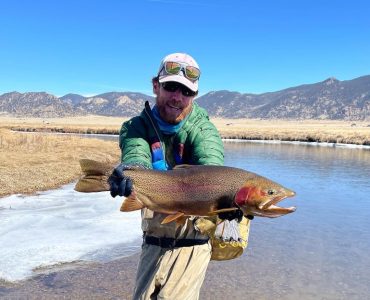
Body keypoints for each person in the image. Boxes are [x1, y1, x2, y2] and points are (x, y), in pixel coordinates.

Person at [109, 52, 224, 300]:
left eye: (186, 92)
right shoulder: (136, 127)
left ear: (194, 95)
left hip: (192, 242)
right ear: (155, 86)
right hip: (152, 241)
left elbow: (212, 165)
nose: (177, 97)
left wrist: (229, 200)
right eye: (171, 87)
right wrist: (132, 171)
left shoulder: (204, 130)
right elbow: (136, 154)